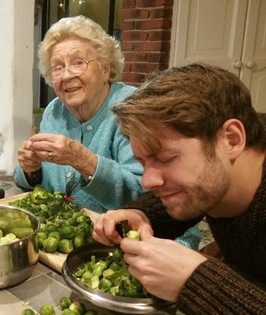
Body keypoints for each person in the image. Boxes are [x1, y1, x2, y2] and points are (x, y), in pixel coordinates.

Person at [93, 63, 266, 313]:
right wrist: (142, 214)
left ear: (232, 139)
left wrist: (196, 282)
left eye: (164, 158)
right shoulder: (217, 176)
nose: (147, 181)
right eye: (143, 162)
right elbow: (199, 193)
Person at [13, 15, 144, 212]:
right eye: (57, 67)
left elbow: (144, 194)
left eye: (78, 63)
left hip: (129, 236)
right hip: (69, 233)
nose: (66, 75)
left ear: (105, 69)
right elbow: (44, 184)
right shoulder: (54, 111)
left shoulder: (134, 109)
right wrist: (32, 169)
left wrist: (81, 159)